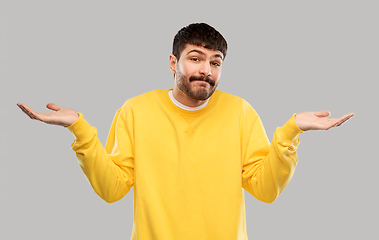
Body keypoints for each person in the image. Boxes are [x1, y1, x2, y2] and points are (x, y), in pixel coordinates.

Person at [17, 23, 354, 240]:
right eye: (195, 58)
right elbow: (112, 188)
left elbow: (265, 190)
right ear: (173, 62)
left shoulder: (240, 111)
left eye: (215, 62)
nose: (205, 70)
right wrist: (80, 129)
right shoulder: (136, 110)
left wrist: (291, 132)